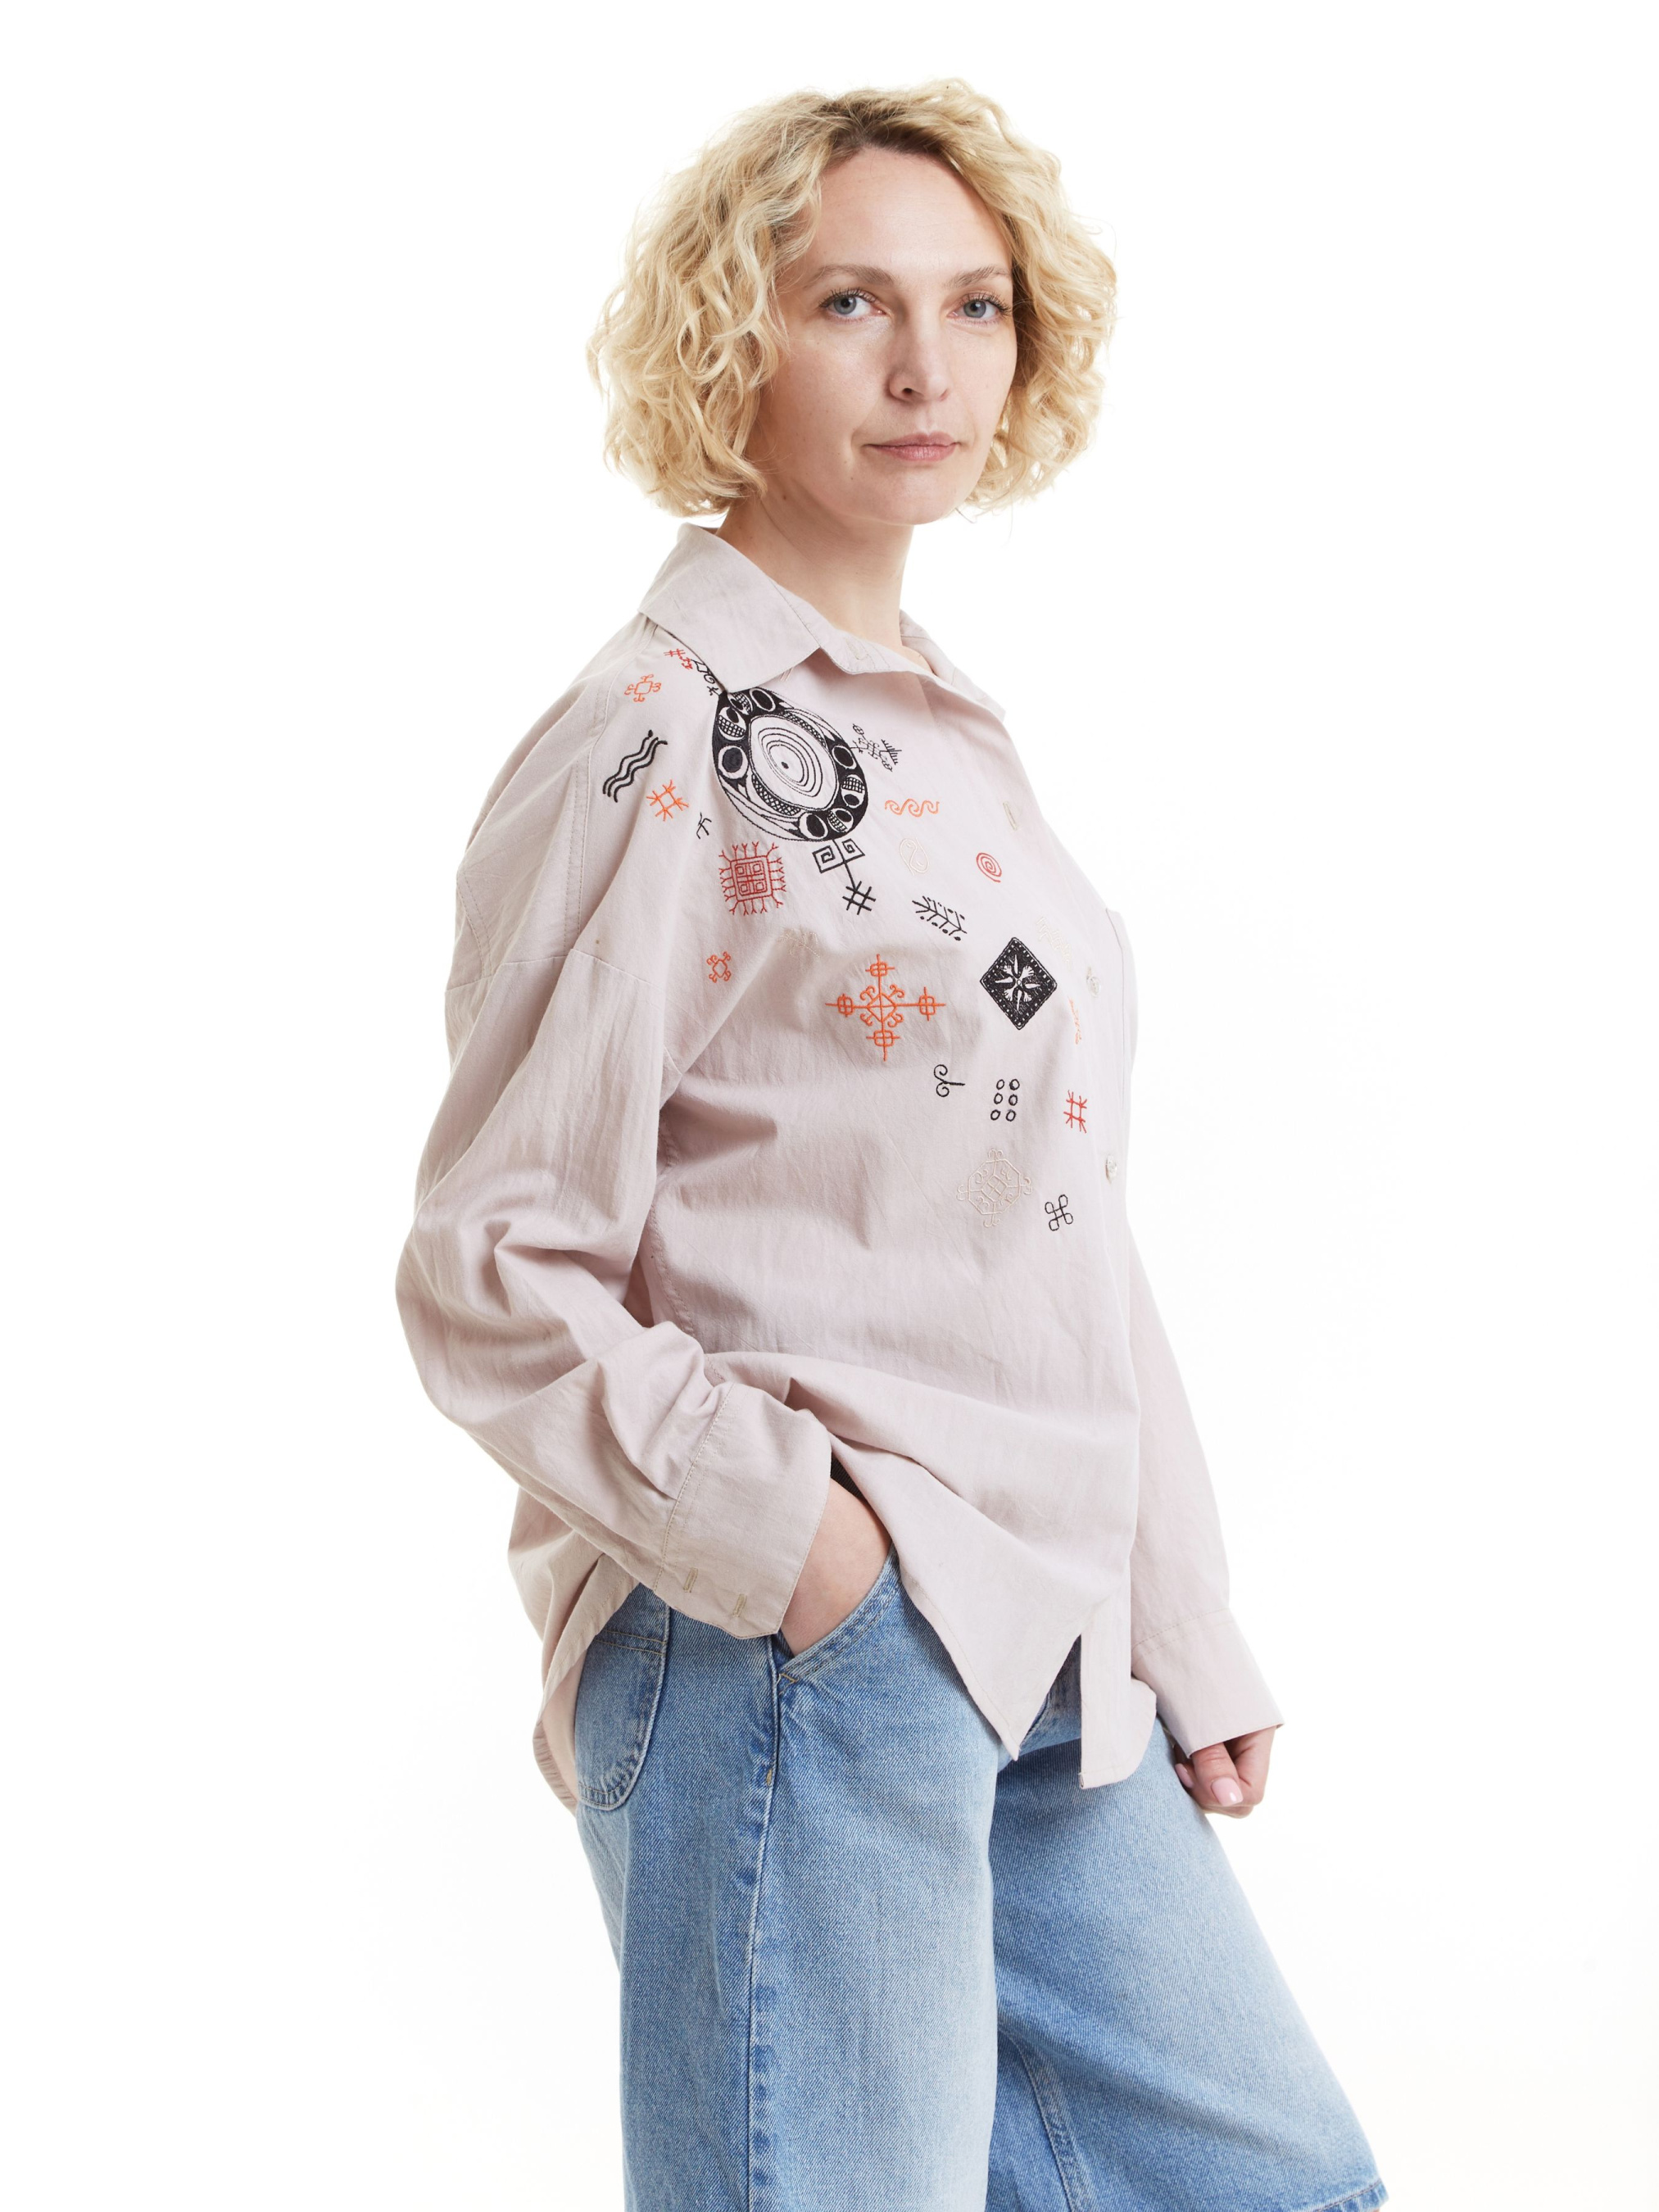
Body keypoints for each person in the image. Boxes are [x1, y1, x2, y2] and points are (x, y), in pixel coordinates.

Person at [396, 78, 1389, 2212]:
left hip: (1043, 1633)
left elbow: (1051, 1208)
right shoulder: (659, 736)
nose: (927, 362)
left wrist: (1178, 1611)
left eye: (975, 304)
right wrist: (813, 1557)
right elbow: (495, 1268)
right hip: (804, 1638)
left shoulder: (930, 725)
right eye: (850, 301)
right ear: (730, 336)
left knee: (1275, 2180)